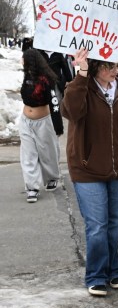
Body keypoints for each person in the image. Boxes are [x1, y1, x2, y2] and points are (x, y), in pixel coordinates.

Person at [61, 48, 118, 297]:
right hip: (88, 168)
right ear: (96, 67)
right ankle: (96, 275)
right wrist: (80, 74)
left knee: (113, 224)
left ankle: (113, 269)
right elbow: (70, 111)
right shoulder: (81, 87)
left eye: (116, 66)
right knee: (97, 226)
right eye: (110, 67)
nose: (116, 70)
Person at [18, 49, 62, 203]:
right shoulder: (27, 75)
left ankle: (51, 177)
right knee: (28, 154)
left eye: (23, 58)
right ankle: (32, 187)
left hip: (43, 122)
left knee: (47, 152)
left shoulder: (46, 79)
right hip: (25, 121)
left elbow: (54, 103)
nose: (21, 60)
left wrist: (58, 127)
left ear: (31, 60)